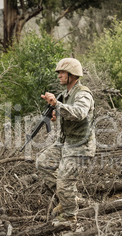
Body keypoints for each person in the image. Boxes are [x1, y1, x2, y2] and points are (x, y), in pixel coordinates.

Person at [36, 58, 96, 224]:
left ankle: (70, 217)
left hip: (80, 146)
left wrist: (57, 105)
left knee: (64, 180)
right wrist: (56, 115)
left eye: (62, 72)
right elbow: (66, 113)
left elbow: (80, 113)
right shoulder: (65, 95)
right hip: (65, 142)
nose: (59, 76)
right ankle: (66, 200)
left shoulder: (83, 94)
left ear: (72, 74)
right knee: (43, 163)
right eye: (59, 73)